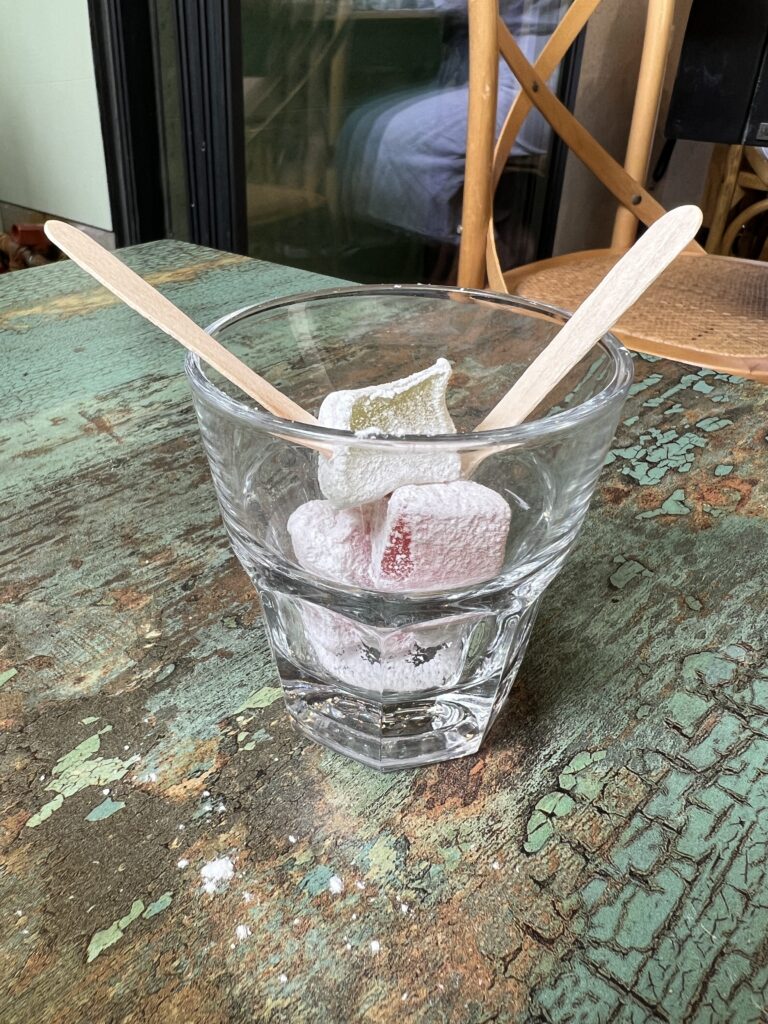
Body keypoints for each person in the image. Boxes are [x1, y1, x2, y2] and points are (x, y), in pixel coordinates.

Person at [337, 0, 567, 247]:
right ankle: (458, 246)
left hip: (530, 91)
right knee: (361, 125)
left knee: (394, 138)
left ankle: (486, 257)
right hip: (501, 78)